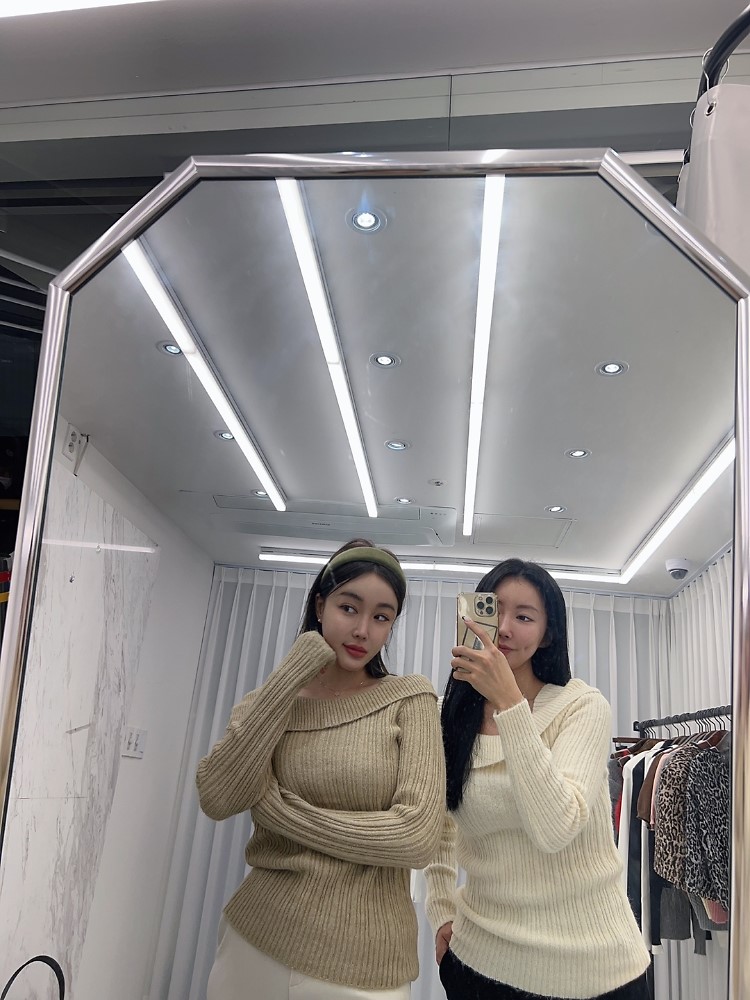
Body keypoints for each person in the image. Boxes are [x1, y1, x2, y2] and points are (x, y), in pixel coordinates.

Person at [197, 538, 445, 1000]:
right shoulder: (267, 704)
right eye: (348, 608)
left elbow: (416, 838)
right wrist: (292, 673)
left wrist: (280, 813)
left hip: (366, 964)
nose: (363, 630)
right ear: (319, 606)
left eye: (382, 617)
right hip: (256, 943)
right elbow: (218, 796)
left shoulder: (410, 699)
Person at [426, 558, 651, 1000]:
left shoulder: (581, 707)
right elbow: (439, 826)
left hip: (594, 971)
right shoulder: (447, 715)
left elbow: (555, 827)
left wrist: (510, 704)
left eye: (525, 617)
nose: (505, 628)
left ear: (548, 634)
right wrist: (441, 910)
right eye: (494, 610)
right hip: (478, 960)